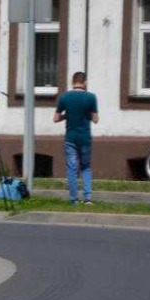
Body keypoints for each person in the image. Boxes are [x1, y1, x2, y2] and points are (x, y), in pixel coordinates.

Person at [53, 70, 99, 205]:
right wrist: (86, 115)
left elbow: (55, 119)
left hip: (70, 138)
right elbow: (95, 119)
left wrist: (66, 115)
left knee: (72, 168)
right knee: (86, 167)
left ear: (73, 82)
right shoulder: (91, 97)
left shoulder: (64, 97)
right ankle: (88, 198)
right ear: (85, 82)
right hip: (85, 138)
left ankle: (74, 200)